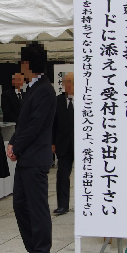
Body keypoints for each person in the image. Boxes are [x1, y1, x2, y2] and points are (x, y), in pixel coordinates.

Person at [6, 42, 56, 253]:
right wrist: (14, 141)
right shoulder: (32, 88)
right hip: (27, 157)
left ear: (27, 64)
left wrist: (17, 145)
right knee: (20, 205)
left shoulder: (45, 90)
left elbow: (35, 126)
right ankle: (33, 251)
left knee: (37, 208)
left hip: (35, 158)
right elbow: (23, 123)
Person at [51, 72, 74, 215]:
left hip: (82, 145)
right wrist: (52, 142)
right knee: (62, 175)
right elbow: (53, 124)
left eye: (71, 82)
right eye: (66, 82)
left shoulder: (86, 99)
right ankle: (63, 205)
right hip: (63, 144)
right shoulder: (58, 101)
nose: (69, 85)